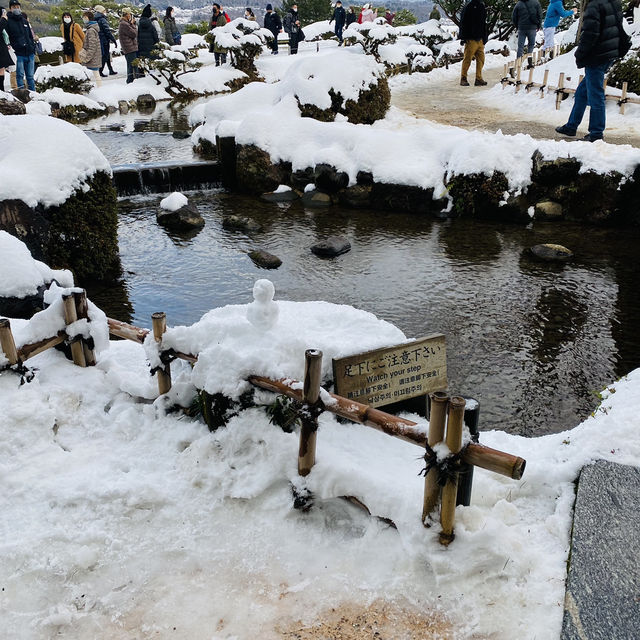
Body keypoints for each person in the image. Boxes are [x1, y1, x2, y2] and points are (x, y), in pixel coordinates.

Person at [555, 0, 627, 141]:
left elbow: (589, 34)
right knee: (582, 92)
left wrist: (580, 54)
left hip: (597, 55)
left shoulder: (594, 5)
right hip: (609, 52)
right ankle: (571, 126)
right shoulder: (614, 2)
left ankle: (596, 133)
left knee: (596, 95)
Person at [1, 0, 35, 91]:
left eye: (17, 7)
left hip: (30, 52)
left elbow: (30, 36)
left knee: (30, 76)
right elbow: (5, 36)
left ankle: (33, 94)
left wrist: (32, 46)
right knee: (19, 76)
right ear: (10, 8)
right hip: (18, 53)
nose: (16, 9)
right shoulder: (7, 21)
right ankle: (22, 95)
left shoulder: (24, 20)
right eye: (14, 7)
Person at [459, 0, 488, 87]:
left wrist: (484, 37)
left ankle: (478, 78)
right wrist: (463, 37)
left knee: (481, 60)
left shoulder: (482, 6)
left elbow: (483, 23)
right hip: (470, 39)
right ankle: (463, 78)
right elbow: (463, 22)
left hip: (480, 39)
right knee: (467, 59)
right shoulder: (468, 6)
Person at [79, 10, 102, 86]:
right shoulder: (92, 28)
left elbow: (92, 45)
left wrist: (87, 57)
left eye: (85, 17)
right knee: (95, 74)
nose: (84, 19)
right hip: (94, 56)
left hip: (92, 57)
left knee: (95, 75)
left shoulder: (91, 30)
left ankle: (100, 90)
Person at [93, 5, 117, 76]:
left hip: (99, 39)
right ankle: (100, 71)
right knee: (105, 55)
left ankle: (110, 70)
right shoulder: (102, 19)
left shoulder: (95, 19)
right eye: (104, 11)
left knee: (106, 55)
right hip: (104, 40)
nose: (105, 12)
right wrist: (113, 39)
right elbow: (107, 31)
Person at [119, 7, 138, 83]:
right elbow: (134, 34)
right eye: (129, 14)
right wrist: (133, 24)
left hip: (129, 47)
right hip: (129, 48)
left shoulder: (125, 23)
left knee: (131, 65)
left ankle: (132, 80)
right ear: (127, 15)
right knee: (132, 66)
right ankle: (131, 81)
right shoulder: (124, 24)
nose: (130, 16)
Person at [0, 6, 13, 92]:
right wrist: (4, 20)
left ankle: (2, 91)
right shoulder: (2, 22)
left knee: (1, 70)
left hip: (2, 49)